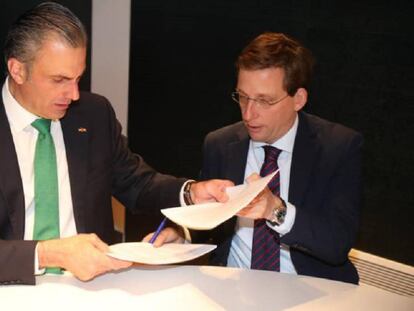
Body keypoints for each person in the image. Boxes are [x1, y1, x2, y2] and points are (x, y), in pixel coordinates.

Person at [0, 2, 232, 285]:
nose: (73, 94)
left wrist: (191, 193)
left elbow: (137, 183)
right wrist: (48, 253)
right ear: (17, 70)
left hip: (92, 287)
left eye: (78, 78)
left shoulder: (93, 114)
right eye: (59, 80)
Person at [147, 32, 362, 284]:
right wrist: (182, 234)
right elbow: (212, 222)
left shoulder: (337, 148)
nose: (249, 114)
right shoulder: (221, 144)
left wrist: (275, 210)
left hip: (310, 290)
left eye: (264, 101)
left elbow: (337, 244)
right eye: (243, 97)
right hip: (233, 286)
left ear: (299, 99)